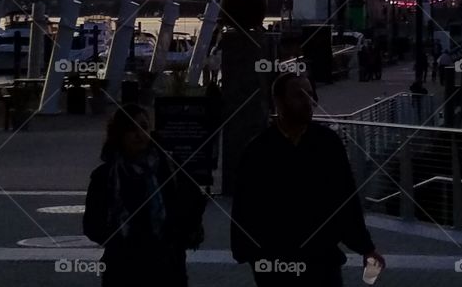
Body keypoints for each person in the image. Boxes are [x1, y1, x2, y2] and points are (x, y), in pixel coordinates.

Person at [231, 73, 385, 286]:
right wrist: (250, 253)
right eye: (299, 95)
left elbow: (345, 200)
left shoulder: (328, 144)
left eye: (310, 95)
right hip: (276, 265)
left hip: (322, 261)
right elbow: (244, 207)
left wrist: (366, 247)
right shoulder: (258, 151)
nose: (308, 102)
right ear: (278, 101)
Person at [83, 104, 206, 287]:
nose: (139, 134)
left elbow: (194, 201)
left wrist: (178, 234)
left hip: (167, 264)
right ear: (120, 134)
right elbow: (93, 223)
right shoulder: (106, 176)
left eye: (143, 126)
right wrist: (118, 240)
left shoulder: (170, 167)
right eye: (131, 129)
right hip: (124, 267)